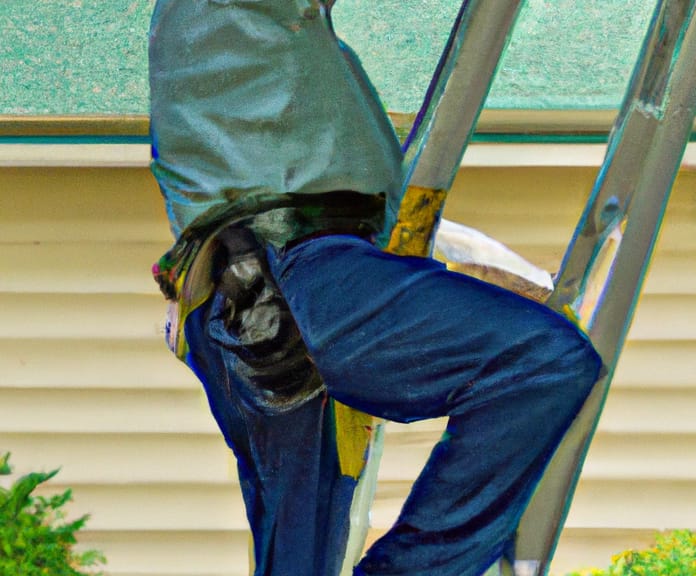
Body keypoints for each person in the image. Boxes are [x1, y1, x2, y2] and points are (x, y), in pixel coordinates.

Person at [147, 1, 604, 575]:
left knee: (299, 558)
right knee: (543, 361)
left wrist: (471, 265)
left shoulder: (269, 56)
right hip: (296, 271)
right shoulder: (233, 19)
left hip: (242, 291)